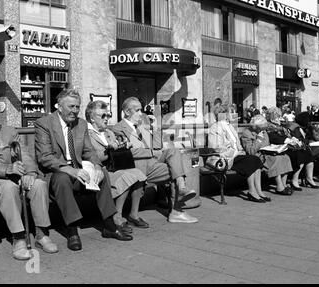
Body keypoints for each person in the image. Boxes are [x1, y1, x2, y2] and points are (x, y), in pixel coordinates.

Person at [35, 90, 132, 252]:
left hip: (79, 170)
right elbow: (45, 157)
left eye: (77, 107)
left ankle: (109, 224)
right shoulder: (44, 123)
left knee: (102, 173)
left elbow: (89, 151)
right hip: (55, 172)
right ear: (59, 107)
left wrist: (96, 166)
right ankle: (72, 230)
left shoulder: (80, 124)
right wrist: (70, 171)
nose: (74, 110)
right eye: (70, 106)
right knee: (62, 178)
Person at [0, 99, 58, 260]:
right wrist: (6, 169)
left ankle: (42, 234)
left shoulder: (9, 131)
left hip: (13, 176)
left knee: (39, 185)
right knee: (8, 187)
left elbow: (25, 154)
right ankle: (18, 238)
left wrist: (30, 173)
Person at [112, 97, 199, 223]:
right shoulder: (118, 128)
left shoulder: (141, 127)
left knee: (173, 153)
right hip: (136, 168)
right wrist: (152, 152)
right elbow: (128, 152)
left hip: (151, 165)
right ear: (127, 112)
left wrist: (156, 128)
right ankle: (178, 207)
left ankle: (180, 190)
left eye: (140, 110)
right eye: (137, 110)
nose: (140, 114)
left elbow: (157, 146)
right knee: (175, 169)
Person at [86, 101, 148, 231]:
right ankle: (117, 216)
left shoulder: (108, 132)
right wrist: (109, 150)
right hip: (99, 169)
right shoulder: (87, 134)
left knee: (138, 174)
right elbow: (90, 155)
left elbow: (117, 151)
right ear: (92, 118)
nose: (107, 119)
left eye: (108, 115)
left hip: (115, 166)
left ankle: (133, 214)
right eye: (102, 116)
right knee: (126, 177)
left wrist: (123, 146)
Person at [208, 104, 269, 202]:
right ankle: (252, 191)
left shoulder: (229, 126)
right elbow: (216, 148)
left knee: (255, 159)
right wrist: (235, 151)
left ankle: (259, 191)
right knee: (251, 160)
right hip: (224, 158)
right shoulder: (215, 127)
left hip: (236, 155)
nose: (232, 114)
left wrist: (240, 151)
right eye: (230, 112)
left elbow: (237, 144)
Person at [265, 107, 317, 192]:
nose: (279, 118)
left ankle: (308, 179)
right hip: (278, 147)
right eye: (277, 117)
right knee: (298, 154)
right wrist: (289, 140)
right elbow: (274, 138)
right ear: (271, 118)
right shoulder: (269, 126)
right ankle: (293, 180)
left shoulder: (280, 126)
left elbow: (288, 135)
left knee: (307, 152)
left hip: (285, 146)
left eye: (279, 116)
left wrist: (294, 140)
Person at [240, 115, 293, 195]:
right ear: (255, 127)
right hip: (258, 156)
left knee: (285, 157)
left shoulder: (263, 132)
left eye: (263, 128)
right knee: (276, 159)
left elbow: (267, 144)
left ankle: (283, 184)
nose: (263, 130)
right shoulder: (247, 134)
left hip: (267, 153)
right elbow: (251, 151)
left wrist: (275, 148)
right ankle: (279, 186)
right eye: (261, 128)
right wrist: (258, 139)